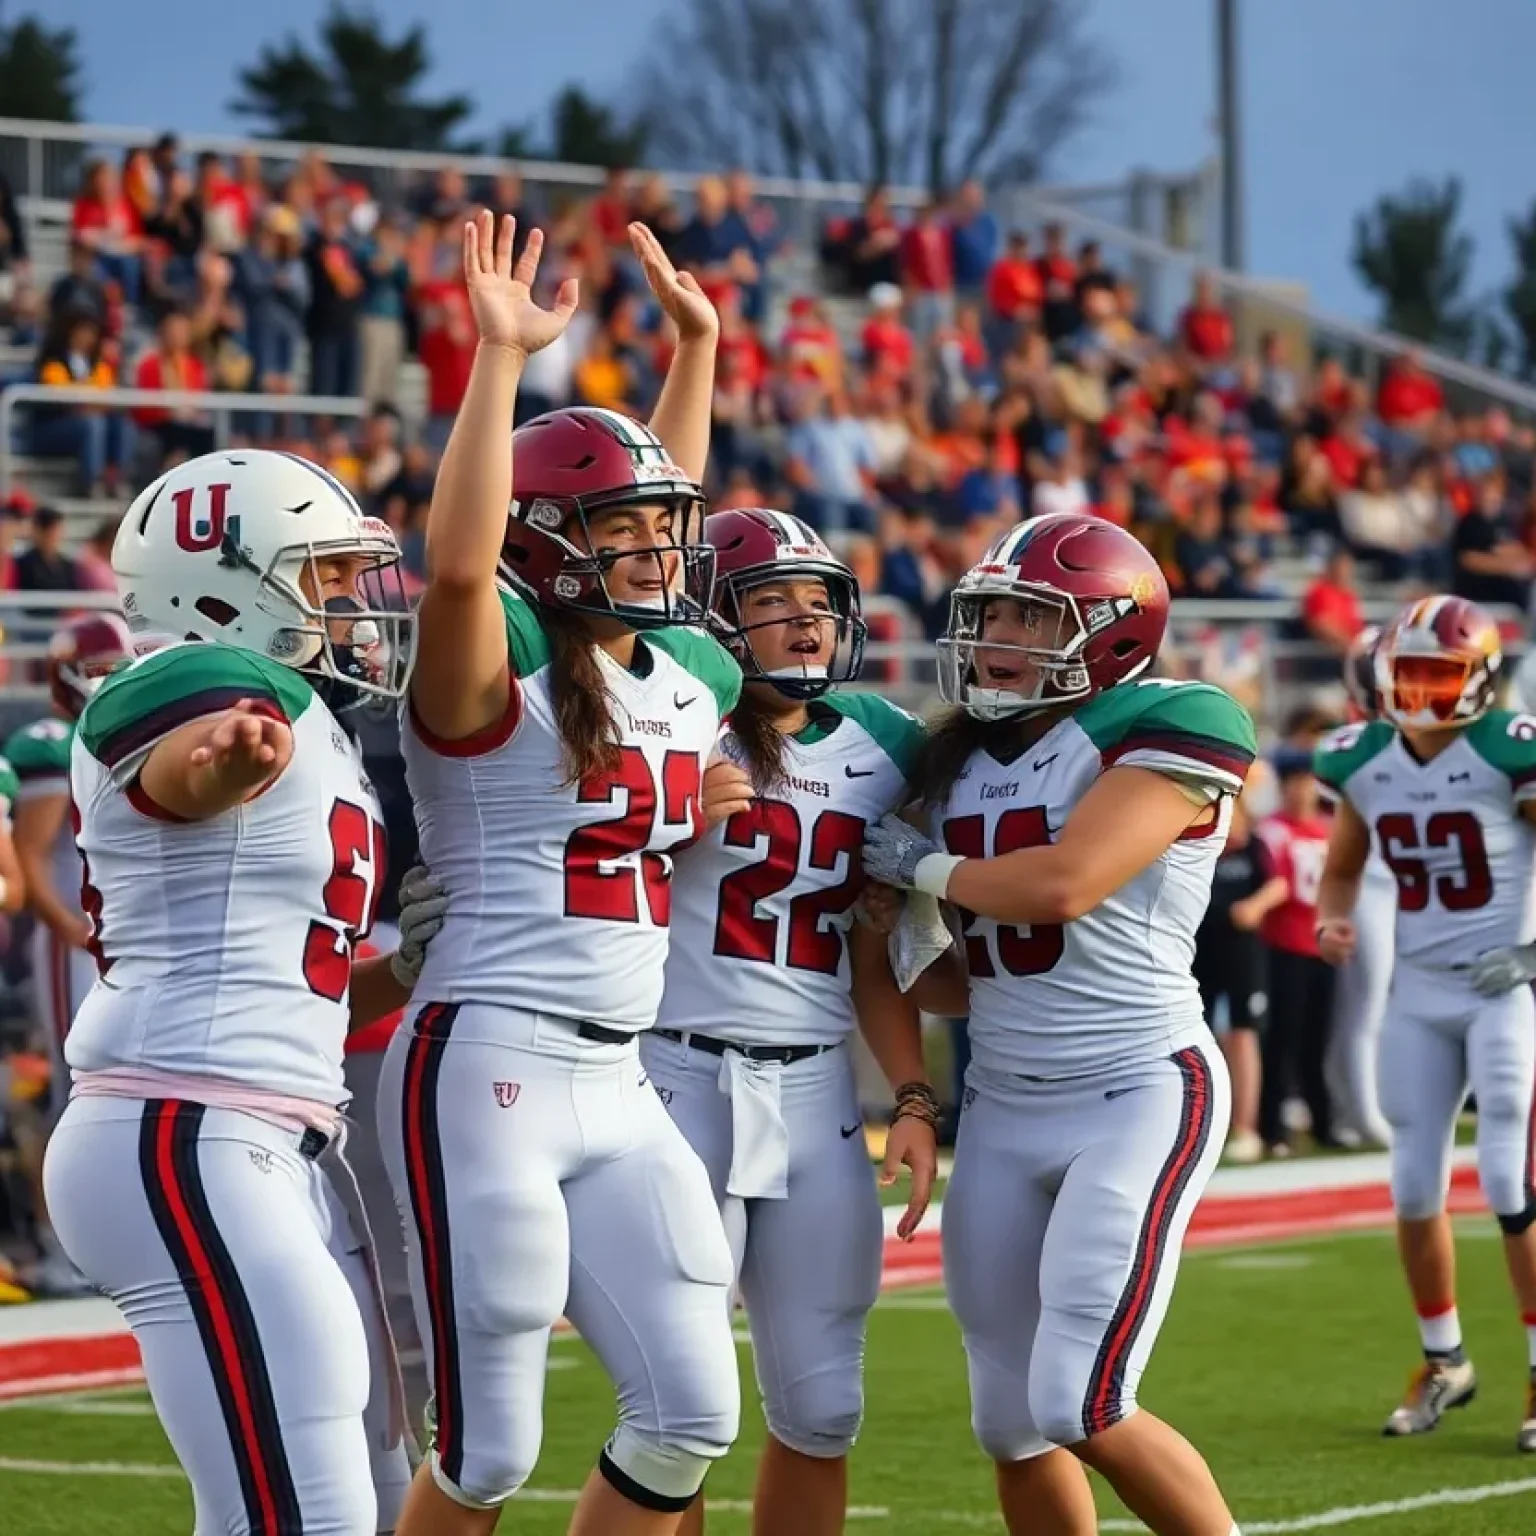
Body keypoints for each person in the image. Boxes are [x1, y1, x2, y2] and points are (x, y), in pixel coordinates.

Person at [377, 212, 746, 1536]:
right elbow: (463, 562)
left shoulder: (681, 673)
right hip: (492, 1062)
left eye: (664, 529)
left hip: (620, 1074)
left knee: (691, 1414)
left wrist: (692, 352)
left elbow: (655, 489)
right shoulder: (498, 664)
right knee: (489, 1453)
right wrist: (498, 363)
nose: (657, 551)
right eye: (625, 533)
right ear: (550, 541)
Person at [40, 448, 422, 1532]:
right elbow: (172, 750)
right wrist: (215, 761)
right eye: (325, 576)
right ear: (225, 578)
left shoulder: (312, 725)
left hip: (262, 1131)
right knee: (303, 1516)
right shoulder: (202, 684)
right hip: (187, 1124)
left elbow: (290, 984)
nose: (352, 605)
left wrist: (405, 967)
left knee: (357, 1498)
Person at [859, 511, 1256, 1536]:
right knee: (1010, 1425)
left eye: (1027, 622)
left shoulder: (1177, 717)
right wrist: (906, 954)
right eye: (989, 615)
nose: (995, 640)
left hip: (1135, 1086)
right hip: (1002, 1101)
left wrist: (928, 870)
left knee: (1080, 1401)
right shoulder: (954, 762)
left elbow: (1067, 884)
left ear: (1110, 632)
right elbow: (963, 983)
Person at [643, 507, 938, 1536]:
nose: (806, 625)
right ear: (713, 617)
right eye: (771, 602)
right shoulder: (669, 723)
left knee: (823, 1405)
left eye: (819, 604)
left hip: (816, 1088)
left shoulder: (888, 745)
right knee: (672, 1413)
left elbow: (874, 947)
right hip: (675, 1078)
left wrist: (910, 1095)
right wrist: (658, 817)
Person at [1315, 595, 1536, 1453]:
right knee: (1412, 1184)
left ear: (1481, 677)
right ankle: (1445, 1358)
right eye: (1407, 672)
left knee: (1510, 1179)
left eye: (1439, 673)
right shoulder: (1364, 760)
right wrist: (1334, 917)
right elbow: (1342, 868)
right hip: (1418, 990)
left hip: (1501, 988)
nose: (1420, 690)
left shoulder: (1504, 750)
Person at [1317, 626, 1394, 1149]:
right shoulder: (1350, 744)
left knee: (1393, 1004)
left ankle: (1373, 1106)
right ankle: (1359, 1113)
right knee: (1363, 1002)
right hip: (1366, 880)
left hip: (1409, 879)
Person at [1254, 752, 1336, 1154]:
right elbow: (1277, 883)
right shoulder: (1273, 832)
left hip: (1320, 945)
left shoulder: (1326, 830)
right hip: (1284, 945)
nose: (1301, 790)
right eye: (1294, 781)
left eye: (1307, 781)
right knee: (1281, 1039)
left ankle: (1323, 1123)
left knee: (1317, 1040)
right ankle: (1273, 1127)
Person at [1192, 791, 1276, 1164]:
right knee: (1197, 1037)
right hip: (1198, 951)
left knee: (1243, 1035)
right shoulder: (1197, 848)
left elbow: (1279, 881)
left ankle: (1246, 1127)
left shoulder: (1254, 848)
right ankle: (1201, 1127)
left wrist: (1256, 906)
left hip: (1242, 952)